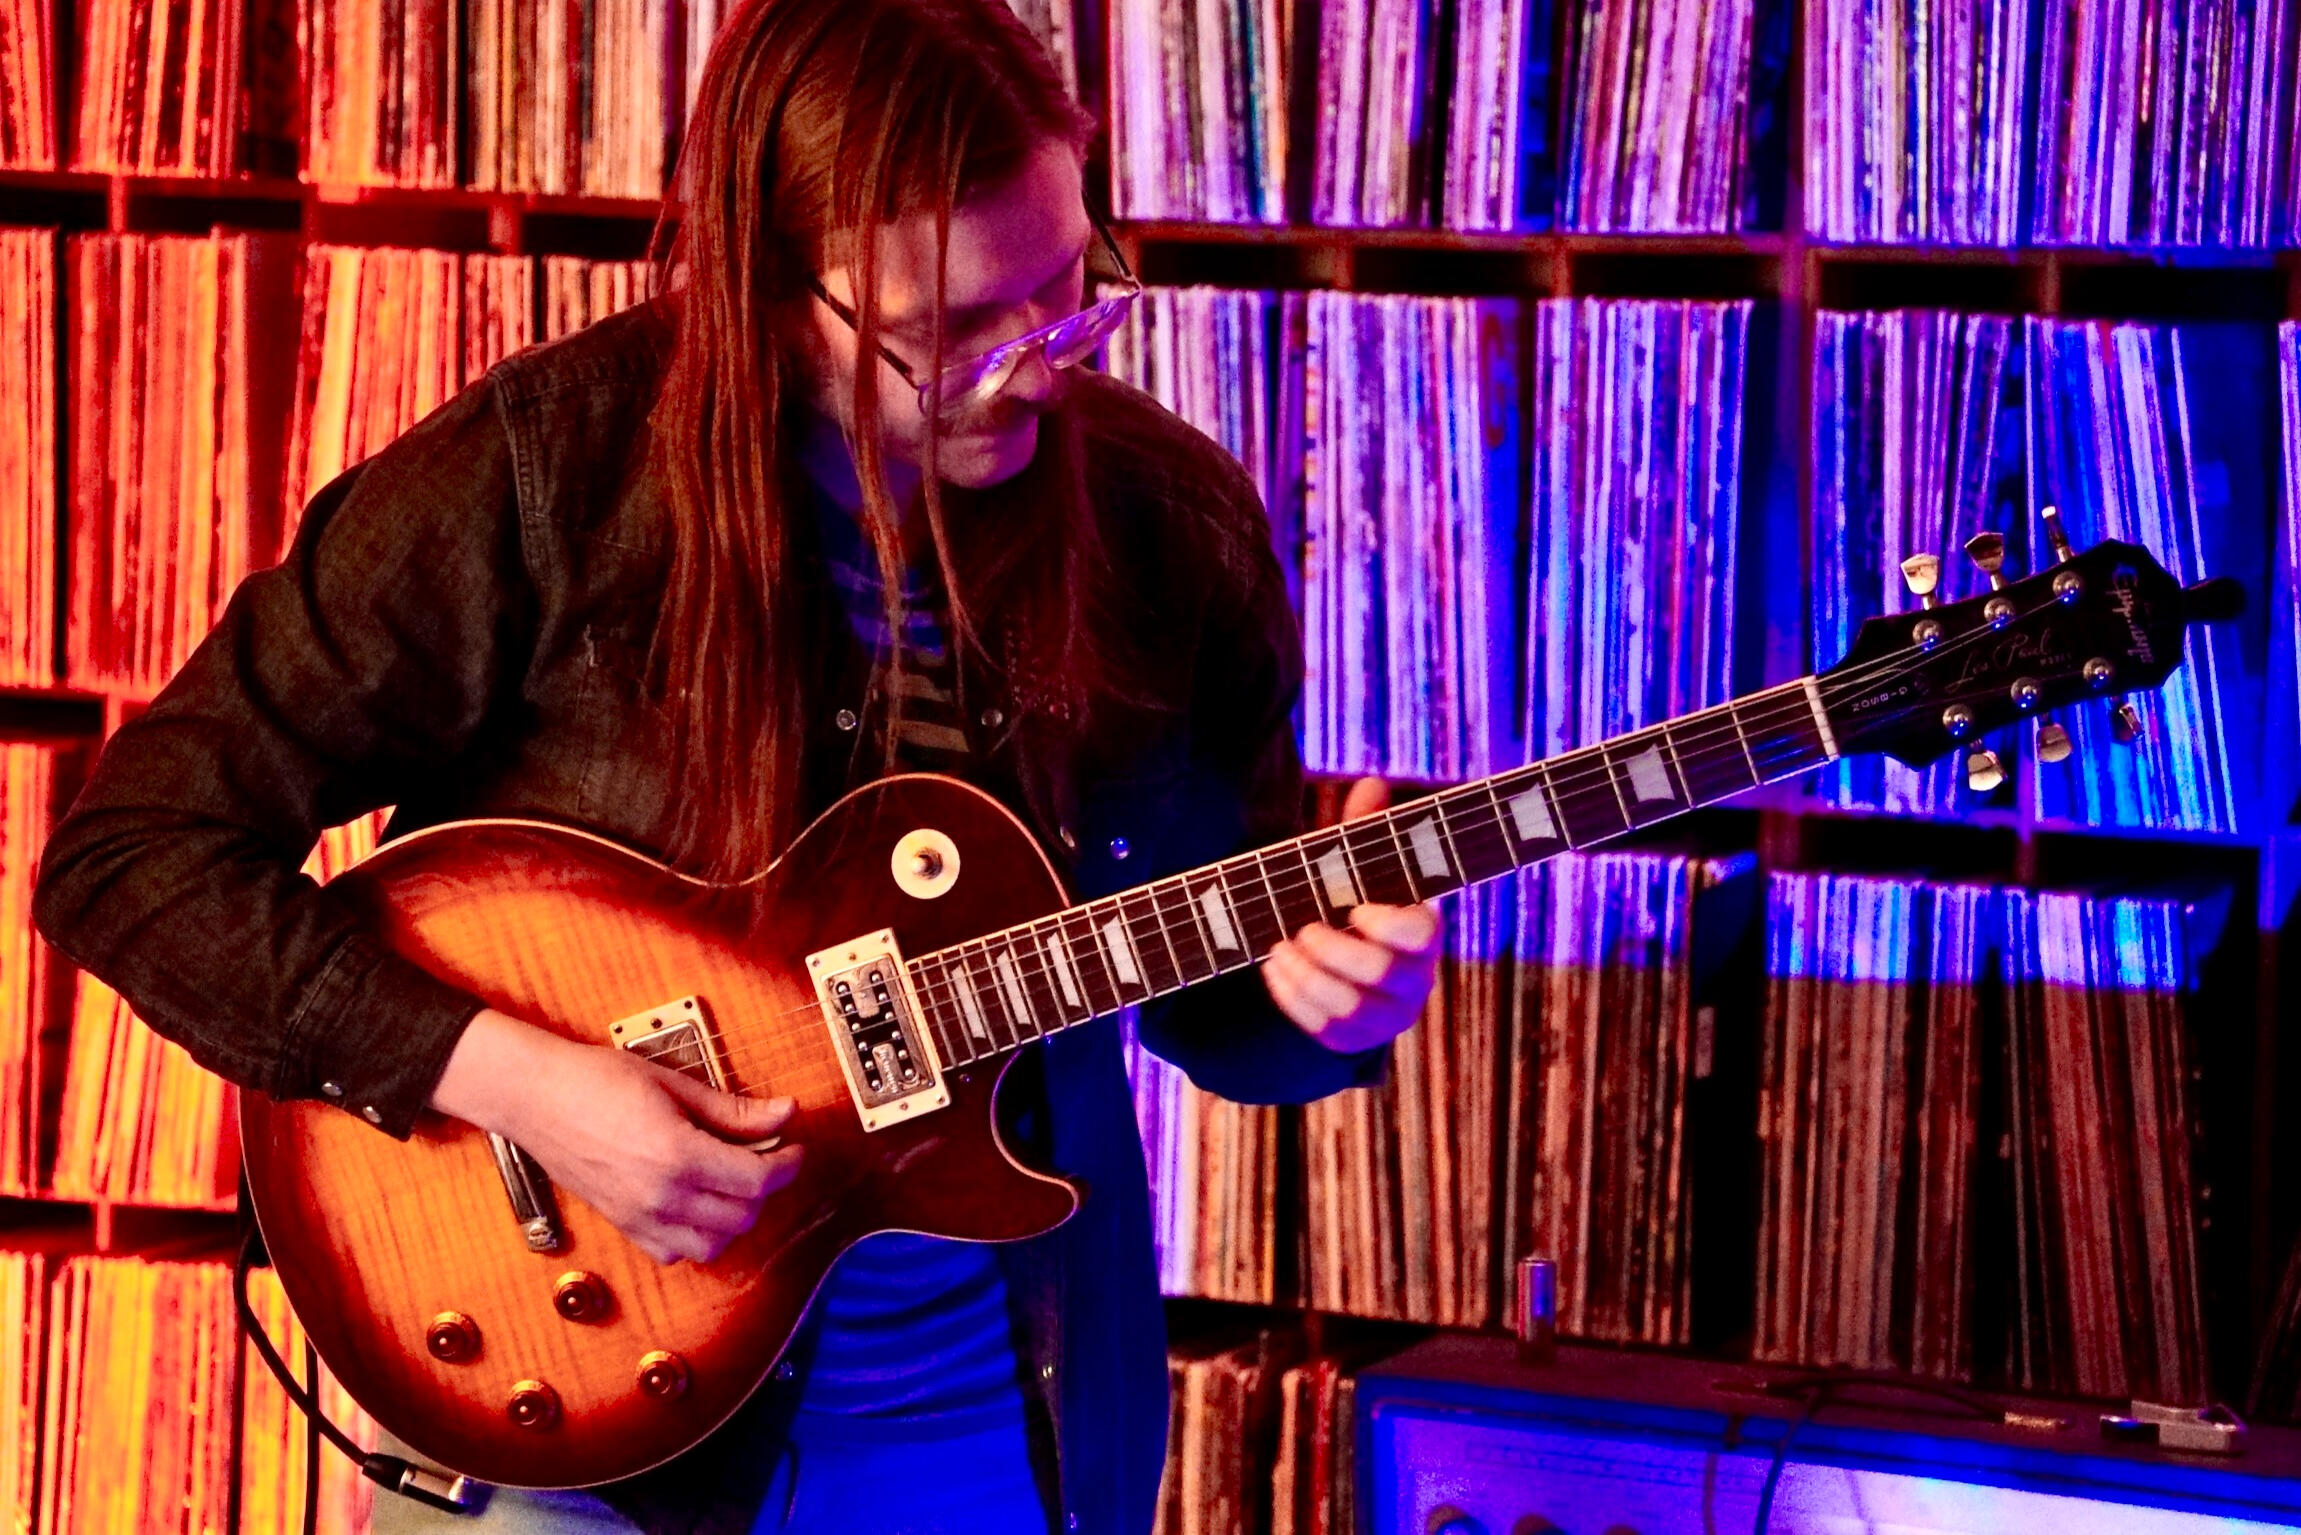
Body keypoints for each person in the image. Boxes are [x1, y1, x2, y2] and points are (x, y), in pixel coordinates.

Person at [30, 2, 1445, 1531]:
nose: (1032, 367)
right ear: (767, 299)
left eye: (1067, 291)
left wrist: (1325, 1008)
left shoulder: (1171, 534)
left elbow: (1205, 994)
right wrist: (523, 1083)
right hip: (578, 1393)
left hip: (980, 1404)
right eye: (950, 332)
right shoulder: (545, 474)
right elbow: (133, 856)